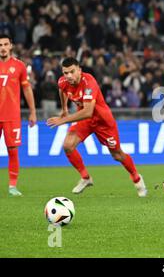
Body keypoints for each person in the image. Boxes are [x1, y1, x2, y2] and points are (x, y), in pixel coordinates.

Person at [46, 57, 147, 197]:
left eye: (72, 72)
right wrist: (64, 109)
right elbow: (62, 90)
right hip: (85, 121)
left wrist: (63, 120)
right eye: (65, 72)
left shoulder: (89, 83)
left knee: (117, 155)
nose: (68, 76)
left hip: (103, 122)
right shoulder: (63, 82)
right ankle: (85, 178)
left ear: (79, 70)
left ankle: (136, 178)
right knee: (68, 145)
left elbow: (88, 112)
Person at [0, 34, 37, 196]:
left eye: (5, 44)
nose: (2, 47)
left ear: (11, 46)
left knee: (13, 150)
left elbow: (27, 89)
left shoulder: (20, 66)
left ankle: (12, 186)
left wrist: (33, 111)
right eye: (0, 45)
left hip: (12, 115)